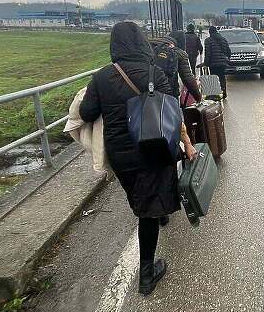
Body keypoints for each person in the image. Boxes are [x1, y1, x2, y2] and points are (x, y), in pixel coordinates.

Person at [80, 22, 197, 295]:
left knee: (141, 199)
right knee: (147, 211)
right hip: (154, 148)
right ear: (142, 43)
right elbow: (174, 114)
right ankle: (147, 273)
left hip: (121, 155)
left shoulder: (101, 77)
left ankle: (156, 211)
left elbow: (86, 113)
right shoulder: (154, 73)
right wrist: (187, 144)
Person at [151, 35, 202, 103]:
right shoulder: (178, 53)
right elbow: (188, 79)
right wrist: (198, 97)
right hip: (169, 94)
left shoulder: (147, 48)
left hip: (147, 93)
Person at [203, 25, 231, 99]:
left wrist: (206, 63)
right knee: (222, 77)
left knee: (214, 78)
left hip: (213, 63)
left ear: (210, 32)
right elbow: (228, 51)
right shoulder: (224, 39)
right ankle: (224, 92)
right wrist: (227, 59)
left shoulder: (208, 40)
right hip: (222, 63)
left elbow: (207, 53)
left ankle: (216, 94)